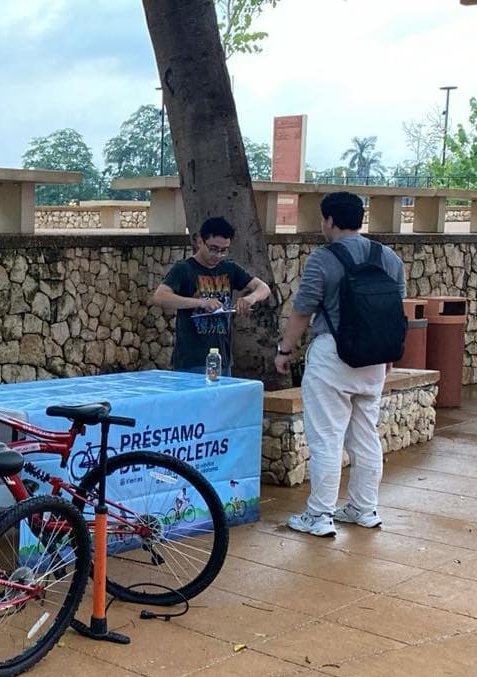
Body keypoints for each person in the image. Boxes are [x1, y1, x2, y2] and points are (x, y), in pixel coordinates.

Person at [275, 192, 406, 537]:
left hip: (333, 355)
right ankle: (364, 509)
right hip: (375, 357)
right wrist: (388, 354)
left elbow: (303, 308)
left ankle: (319, 515)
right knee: (365, 435)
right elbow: (395, 308)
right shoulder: (388, 257)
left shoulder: (324, 258)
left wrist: (285, 350)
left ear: (330, 220)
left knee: (327, 439)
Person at [153, 217, 271, 374]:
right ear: (200, 242)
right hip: (192, 359)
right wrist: (201, 302)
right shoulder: (184, 269)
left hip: (223, 358)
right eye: (213, 249)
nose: (218, 255)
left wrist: (250, 298)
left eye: (223, 250)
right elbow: (160, 297)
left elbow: (263, 287)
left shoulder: (230, 268)